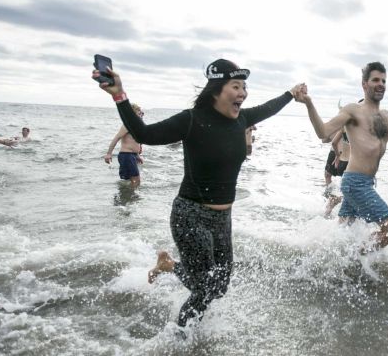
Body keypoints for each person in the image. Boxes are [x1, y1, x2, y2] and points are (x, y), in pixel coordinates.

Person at [94, 58, 303, 329]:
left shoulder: (243, 119)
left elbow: (268, 108)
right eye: (236, 86)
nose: (243, 93)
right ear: (216, 90)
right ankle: (180, 338)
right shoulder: (191, 120)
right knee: (204, 289)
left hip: (223, 218)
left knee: (219, 287)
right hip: (190, 214)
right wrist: (120, 96)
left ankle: (169, 267)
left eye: (244, 87)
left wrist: (290, 93)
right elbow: (144, 133)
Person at [294, 62, 388, 252]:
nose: (381, 84)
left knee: (343, 230)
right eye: (375, 79)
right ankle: (358, 256)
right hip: (354, 183)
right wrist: (309, 104)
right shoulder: (353, 111)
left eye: (383, 80)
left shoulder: (386, 116)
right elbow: (323, 132)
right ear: (364, 84)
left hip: (366, 183)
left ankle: (328, 258)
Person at [105, 103, 144, 188]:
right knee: (136, 180)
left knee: (129, 181)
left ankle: (127, 197)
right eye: (139, 113)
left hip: (131, 156)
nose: (141, 115)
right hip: (127, 156)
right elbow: (116, 138)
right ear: (132, 113)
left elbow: (134, 142)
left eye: (142, 113)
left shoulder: (135, 126)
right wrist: (109, 154)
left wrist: (137, 155)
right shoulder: (127, 125)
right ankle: (132, 198)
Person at [324, 127, 350, 217]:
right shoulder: (339, 121)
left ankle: (337, 199)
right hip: (336, 151)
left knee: (348, 182)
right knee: (327, 175)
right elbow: (325, 139)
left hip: (346, 153)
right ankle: (333, 198)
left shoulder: (348, 122)